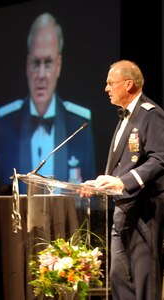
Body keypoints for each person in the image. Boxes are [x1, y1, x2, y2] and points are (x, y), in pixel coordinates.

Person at [81, 60, 164, 300]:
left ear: (129, 84)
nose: (106, 88)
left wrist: (124, 182)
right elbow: (121, 166)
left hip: (144, 212)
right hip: (121, 210)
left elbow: (160, 158)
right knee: (118, 279)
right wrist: (99, 184)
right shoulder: (125, 117)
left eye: (110, 83)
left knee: (143, 282)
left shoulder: (152, 114)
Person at [0, 12, 96, 195]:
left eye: (48, 63)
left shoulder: (79, 125)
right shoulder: (5, 124)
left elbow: (91, 196)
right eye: (35, 63)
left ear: (58, 66)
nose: (40, 74)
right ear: (27, 65)